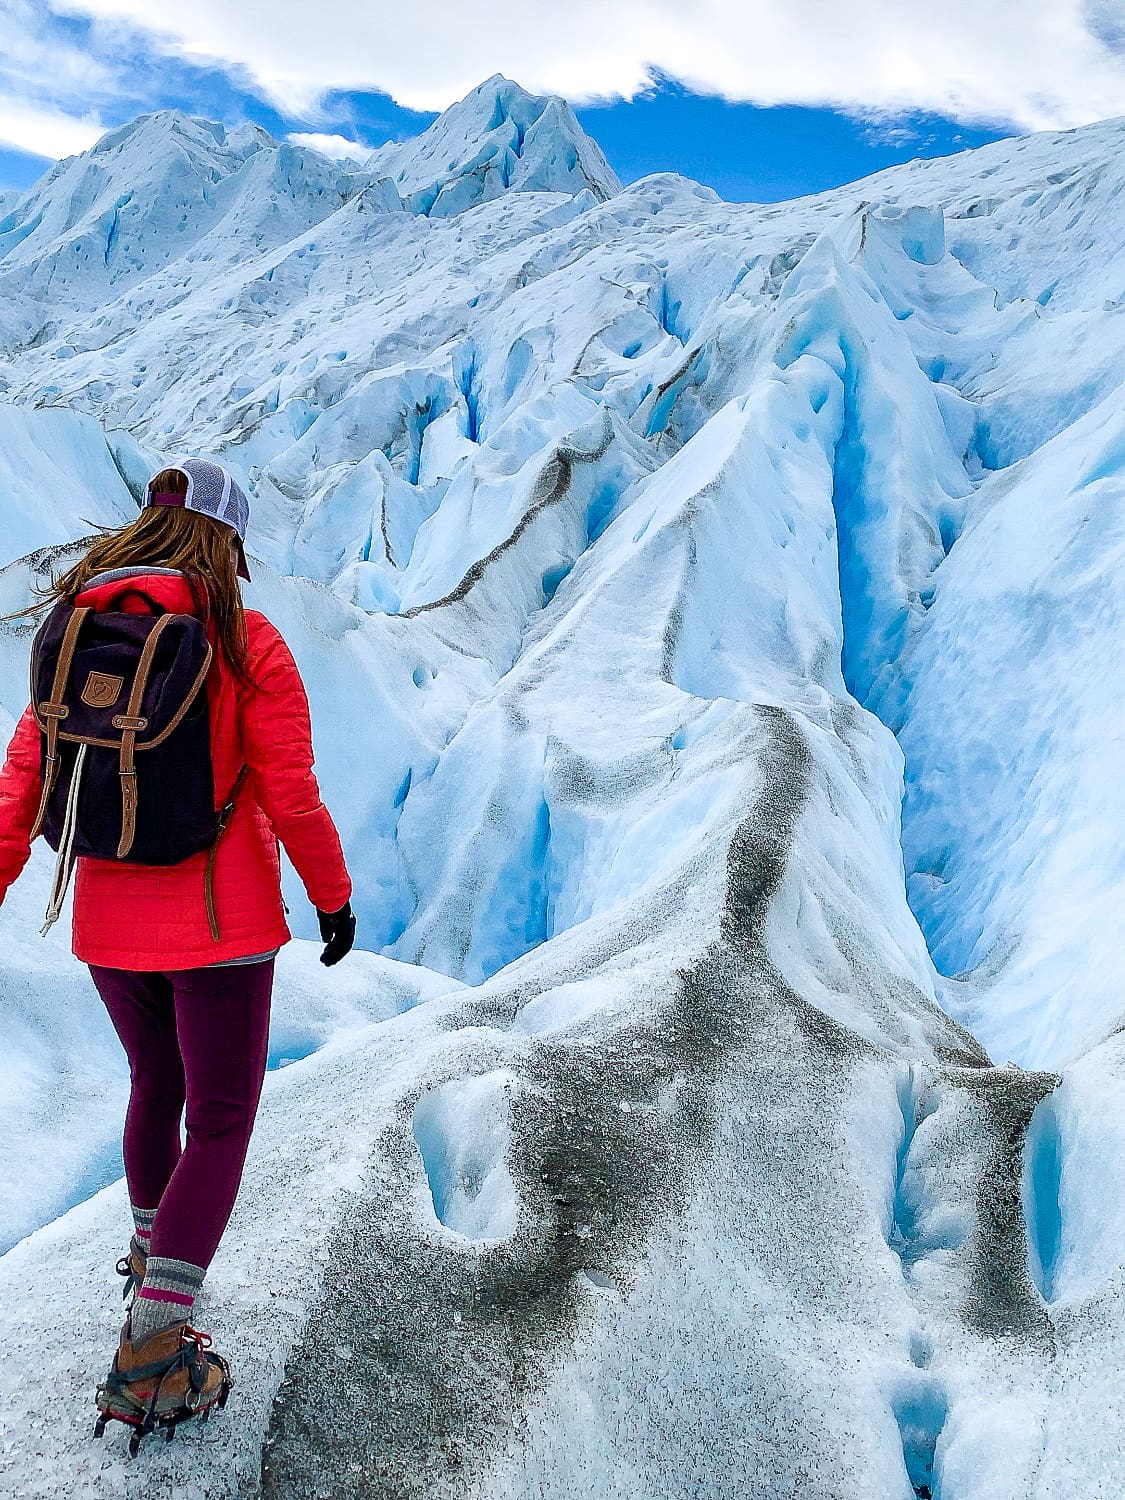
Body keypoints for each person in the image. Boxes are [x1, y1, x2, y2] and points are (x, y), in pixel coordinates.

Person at [0, 457, 355, 1444]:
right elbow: (291, 794)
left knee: (155, 1088)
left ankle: (149, 1268)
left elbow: (18, 788)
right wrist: (333, 898)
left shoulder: (73, 631)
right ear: (226, 542)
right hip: (221, 929)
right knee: (224, 1120)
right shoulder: (245, 642)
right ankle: (158, 1354)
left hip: (107, 926)